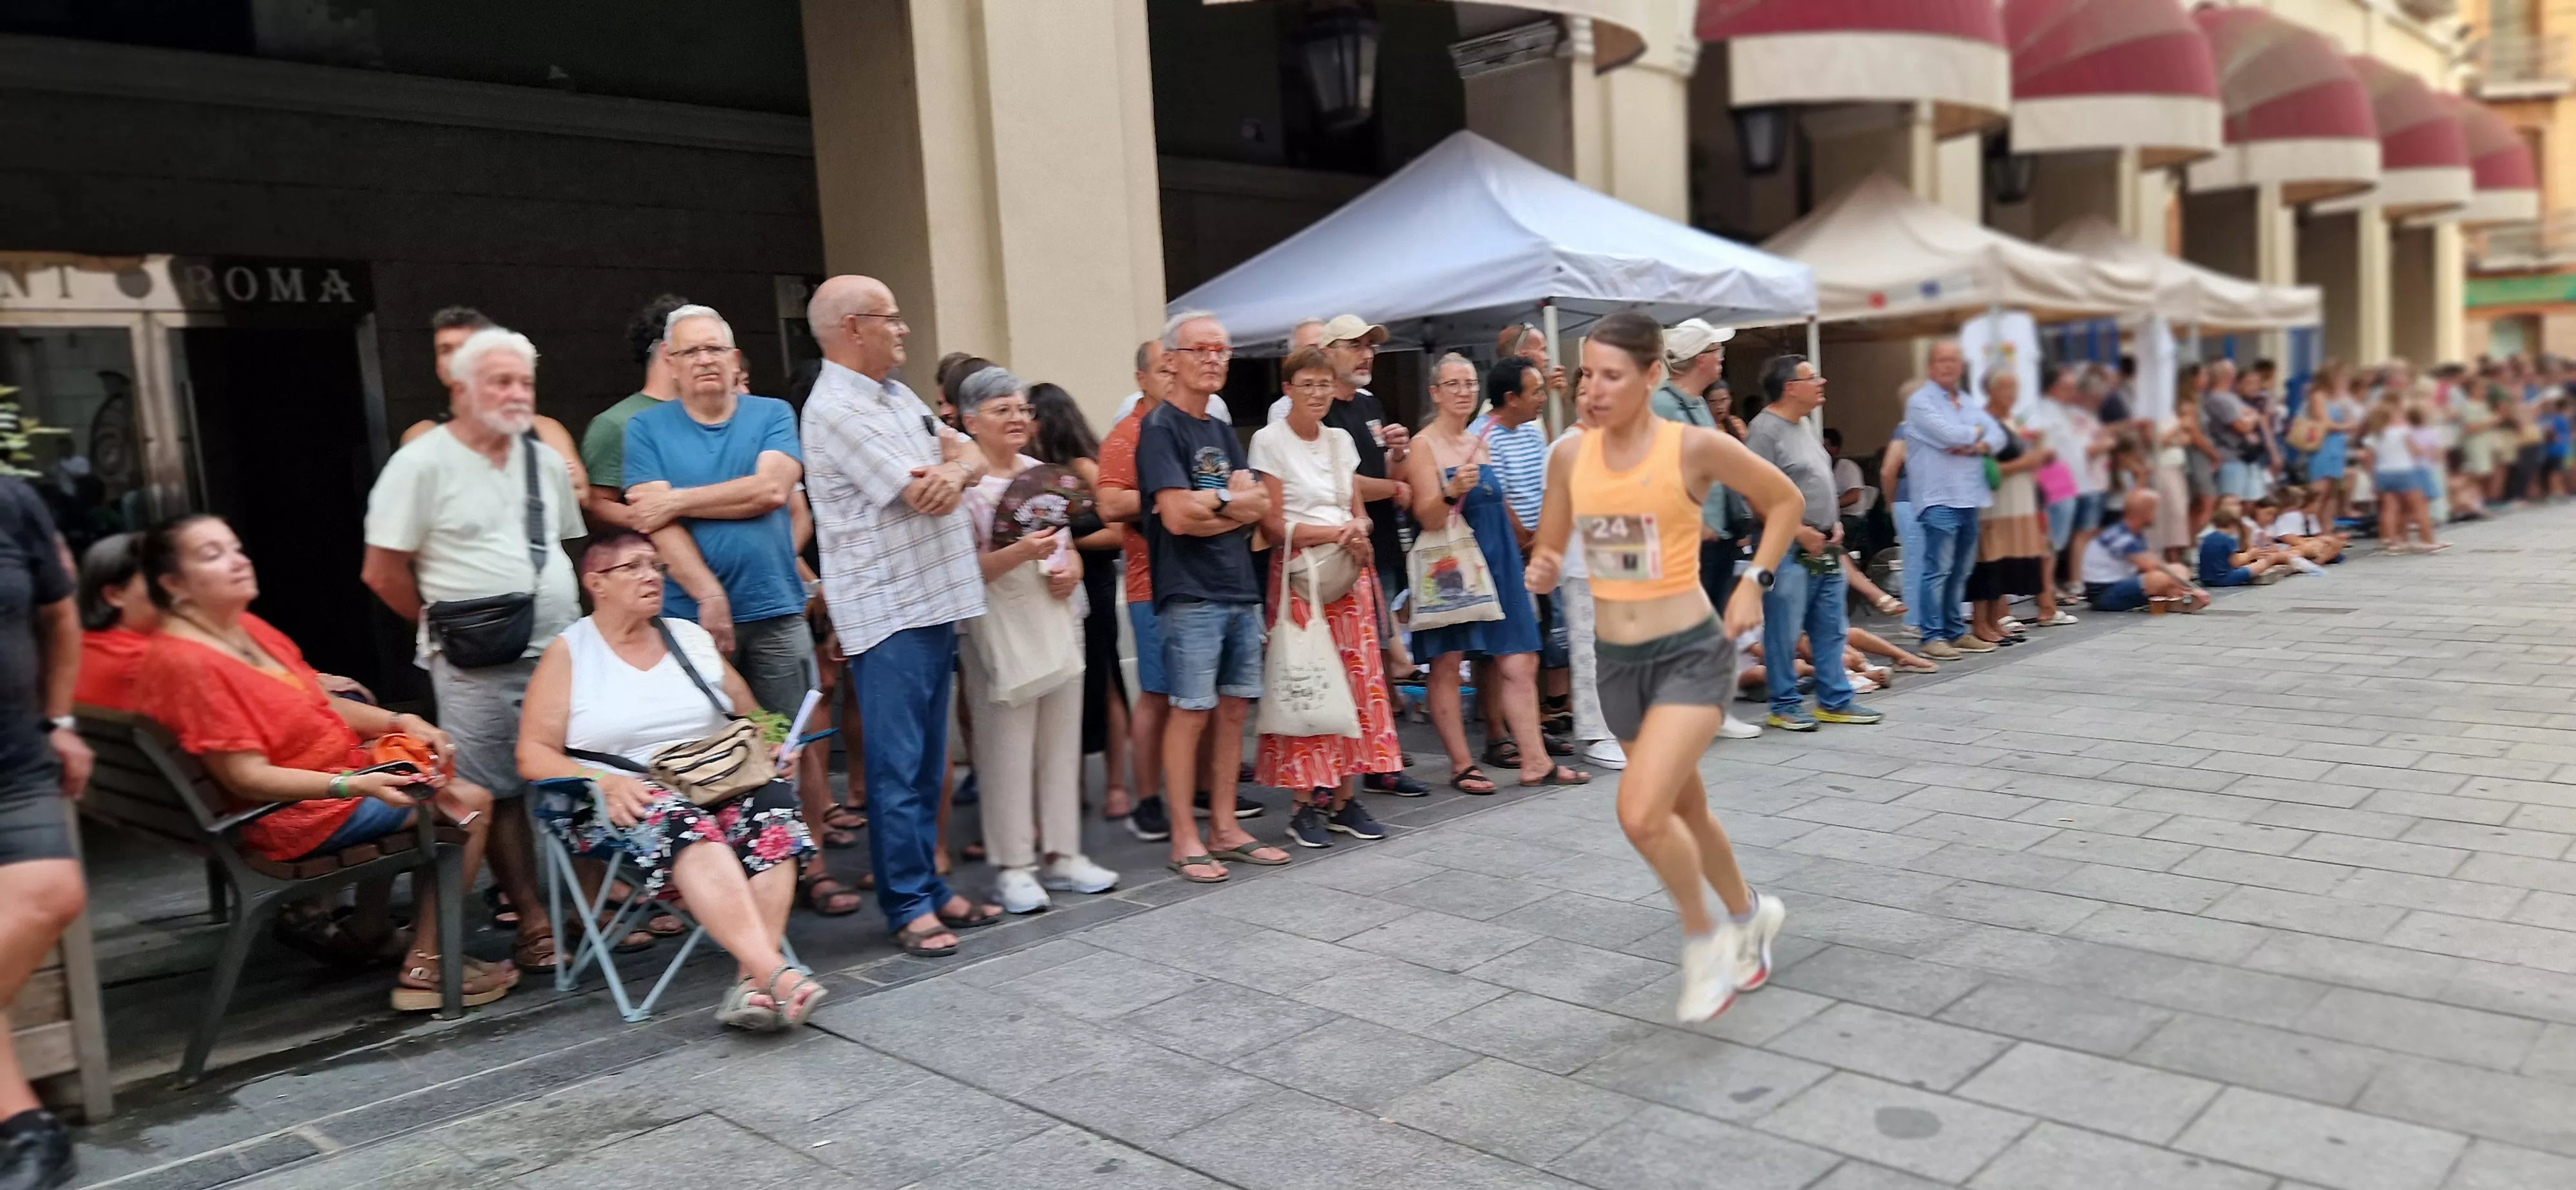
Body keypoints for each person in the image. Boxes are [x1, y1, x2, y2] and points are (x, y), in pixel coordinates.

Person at [1524, 310, 1799, 1023]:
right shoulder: (1567, 458)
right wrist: (1545, 566)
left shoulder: (1693, 447)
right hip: (1617, 667)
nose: (1592, 389)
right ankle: (1748, 914)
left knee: (1641, 813)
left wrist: (1752, 581)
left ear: (1651, 377)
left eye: (1611, 375)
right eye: (1586, 373)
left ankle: (1702, 939)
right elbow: (1551, 545)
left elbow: (1784, 503)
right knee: (1686, 809)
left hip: (1689, 656)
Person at [137, 514, 515, 1010]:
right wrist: (356, 786)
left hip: (331, 782)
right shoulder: (194, 662)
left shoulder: (240, 629)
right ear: (174, 585)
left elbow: (317, 701)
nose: (237, 562)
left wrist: (397, 723)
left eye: (236, 549)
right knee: (467, 802)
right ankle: (429, 963)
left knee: (419, 771)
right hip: (290, 816)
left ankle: (370, 928)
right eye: (212, 555)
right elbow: (245, 777)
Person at [513, 531, 822, 1030]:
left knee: (772, 806)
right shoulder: (571, 653)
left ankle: (753, 979)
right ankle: (774, 972)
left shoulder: (688, 637)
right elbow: (531, 755)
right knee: (679, 819)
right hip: (619, 799)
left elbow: (753, 715)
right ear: (597, 583)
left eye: (656, 566)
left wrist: (774, 744)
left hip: (718, 779)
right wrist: (601, 782)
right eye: (633, 567)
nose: (651, 576)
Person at [614, 305, 849, 917]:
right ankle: (725, 881)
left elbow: (771, 490)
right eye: (691, 352)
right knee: (703, 747)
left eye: (716, 350)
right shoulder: (646, 431)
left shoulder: (771, 414)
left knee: (787, 741)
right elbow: (650, 522)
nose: (705, 362)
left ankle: (809, 866)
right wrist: (709, 592)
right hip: (690, 626)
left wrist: (681, 500)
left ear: (736, 358)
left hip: (774, 613)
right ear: (670, 362)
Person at [361, 325, 579, 974]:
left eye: (524, 382)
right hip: (474, 661)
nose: (516, 394)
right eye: (500, 382)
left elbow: (566, 543)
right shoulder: (419, 464)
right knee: (494, 790)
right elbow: (382, 572)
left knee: (579, 772)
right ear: (460, 388)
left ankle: (590, 908)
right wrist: (449, 626)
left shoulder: (541, 457)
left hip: (560, 649)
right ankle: (533, 922)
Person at [800, 276, 1002, 957]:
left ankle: (929, 886)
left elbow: (966, 452)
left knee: (925, 765)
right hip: (887, 610)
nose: (904, 329)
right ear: (853, 327)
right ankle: (908, 902)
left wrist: (963, 467)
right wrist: (955, 469)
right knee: (896, 765)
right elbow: (927, 493)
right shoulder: (834, 408)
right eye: (891, 318)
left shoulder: (894, 394)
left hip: (931, 599)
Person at [952, 368, 1120, 911]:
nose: (1018, 419)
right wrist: (1019, 556)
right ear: (969, 420)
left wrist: (1069, 566)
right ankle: (1014, 865)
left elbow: (1066, 541)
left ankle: (1063, 854)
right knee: (1006, 745)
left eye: (1022, 409)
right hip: (997, 616)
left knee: (1060, 739)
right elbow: (962, 569)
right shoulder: (964, 486)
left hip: (1053, 609)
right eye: (1003, 410)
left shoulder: (1043, 474)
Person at [1139, 312, 1288, 882]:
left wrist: (1216, 507)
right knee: (1191, 712)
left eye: (1223, 351)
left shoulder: (1222, 430)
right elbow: (1176, 518)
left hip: (1237, 586)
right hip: (1191, 591)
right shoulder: (1161, 429)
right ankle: (1185, 838)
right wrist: (1231, 505)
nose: (1214, 359)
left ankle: (1225, 829)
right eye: (1201, 349)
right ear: (1171, 359)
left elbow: (1260, 509)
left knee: (1233, 713)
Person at [1406, 353, 1586, 795]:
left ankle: (1534, 761)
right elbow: (1426, 516)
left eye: (1469, 383)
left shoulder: (1480, 437)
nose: (1464, 391)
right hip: (1451, 562)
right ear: (1435, 392)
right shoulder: (1423, 445)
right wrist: (1450, 491)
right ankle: (1462, 764)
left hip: (1499, 559)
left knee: (1520, 658)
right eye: (1453, 384)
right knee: (1448, 662)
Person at [1248, 346, 1402, 848]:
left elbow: (1359, 509)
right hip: (1299, 572)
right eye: (1305, 384)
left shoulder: (1340, 440)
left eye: (1323, 384)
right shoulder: (1268, 441)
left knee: (1356, 683)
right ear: (1287, 388)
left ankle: (1344, 798)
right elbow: (1271, 523)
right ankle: (1301, 803)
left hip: (1346, 568)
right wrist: (1339, 531)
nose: (1316, 393)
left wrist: (1358, 529)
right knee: (1307, 676)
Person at [0, 477, 88, 1188]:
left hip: (16, 759)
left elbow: (60, 617)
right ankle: (26, 1129)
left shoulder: (9, 500)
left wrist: (60, 722)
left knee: (51, 893)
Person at [1744, 355, 1880, 732]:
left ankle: (1835, 700)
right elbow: (1754, 493)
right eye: (1811, 378)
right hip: (1788, 545)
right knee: (1784, 628)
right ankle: (1785, 704)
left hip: (1823, 542)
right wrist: (1797, 530)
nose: (1821, 382)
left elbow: (1818, 480)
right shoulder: (1764, 431)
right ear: (1790, 388)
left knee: (1830, 624)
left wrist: (1833, 522)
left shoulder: (1803, 424)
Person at [1027, 382, 1134, 824]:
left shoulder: (1086, 466)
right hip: (1056, 585)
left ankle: (1114, 786)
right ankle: (1069, 786)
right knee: (1066, 683)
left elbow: (1120, 533)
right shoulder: (1034, 471)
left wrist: (1069, 537)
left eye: (1029, 413)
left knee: (1105, 679)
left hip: (1096, 579)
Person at [1468, 355, 1571, 760]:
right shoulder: (1483, 435)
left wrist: (1544, 534)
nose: (1543, 399)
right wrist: (1525, 539)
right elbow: (1498, 497)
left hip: (1536, 551)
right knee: (1501, 650)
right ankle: (1498, 734)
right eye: (1535, 392)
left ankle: (1528, 726)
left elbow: (1546, 483)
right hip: (1505, 554)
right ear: (1510, 398)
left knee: (1535, 640)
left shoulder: (1531, 431)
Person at [401, 307, 586, 493]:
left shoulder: (545, 429)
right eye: (445, 350)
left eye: (467, 347)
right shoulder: (423, 435)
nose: (458, 358)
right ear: (438, 366)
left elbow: (578, 494)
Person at [1900, 341, 1991, 660]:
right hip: (1938, 497)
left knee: (1960, 571)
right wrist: (1972, 435)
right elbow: (1952, 435)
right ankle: (1932, 635)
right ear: (1930, 367)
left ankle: (1955, 631)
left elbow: (1996, 435)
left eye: (1954, 360)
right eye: (1942, 361)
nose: (1949, 366)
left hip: (1969, 496)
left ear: (1961, 366)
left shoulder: (1966, 400)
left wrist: (1973, 439)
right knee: (1937, 570)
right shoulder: (1920, 402)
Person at [580, 294, 694, 530]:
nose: (706, 358)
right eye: (693, 348)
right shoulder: (615, 423)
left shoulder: (711, 412)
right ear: (666, 350)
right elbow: (595, 504)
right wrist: (659, 521)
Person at [1966, 372, 2055, 647]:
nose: (2013, 396)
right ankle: (1981, 623)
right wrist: (2027, 461)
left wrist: (2038, 452)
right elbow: (1984, 469)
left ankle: (1995, 621)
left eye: (2015, 389)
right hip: (1995, 507)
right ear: (1991, 391)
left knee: (2004, 565)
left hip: (2017, 504)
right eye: (2007, 389)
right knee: (1988, 563)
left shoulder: (2013, 422)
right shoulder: (1983, 422)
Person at [2078, 490, 2208, 612]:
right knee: (2161, 577)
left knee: (2178, 569)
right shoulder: (2120, 536)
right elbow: (2151, 565)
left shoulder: (2134, 533)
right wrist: (2193, 589)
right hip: (2104, 594)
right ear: (2145, 512)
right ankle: (2178, 598)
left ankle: (2173, 600)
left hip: (2121, 583)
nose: (2156, 515)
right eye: (2154, 510)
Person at [2363, 402, 2438, 554]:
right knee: (2419, 508)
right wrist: (2424, 450)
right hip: (2404, 472)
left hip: (2383, 473)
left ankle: (2392, 542)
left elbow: (2369, 461)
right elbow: (2415, 451)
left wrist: (2373, 479)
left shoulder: (2373, 436)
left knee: (2389, 509)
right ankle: (2428, 540)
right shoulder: (2402, 432)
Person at [2196, 495, 2290, 587]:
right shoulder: (2228, 539)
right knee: (2265, 562)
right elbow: (2235, 562)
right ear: (2233, 525)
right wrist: (2250, 555)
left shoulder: (2209, 537)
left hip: (2206, 578)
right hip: (2223, 579)